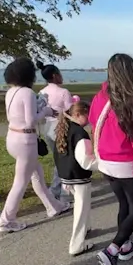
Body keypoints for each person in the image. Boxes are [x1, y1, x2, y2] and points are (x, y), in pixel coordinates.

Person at [0, 58, 70, 233]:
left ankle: (53, 206)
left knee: (36, 175)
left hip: (13, 137)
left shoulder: (11, 92)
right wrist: (45, 111)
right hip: (25, 140)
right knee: (20, 182)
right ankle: (6, 220)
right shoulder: (27, 93)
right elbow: (30, 121)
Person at [91, 54, 133, 265]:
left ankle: (126, 245)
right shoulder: (131, 99)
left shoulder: (99, 97)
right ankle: (112, 249)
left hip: (105, 160)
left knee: (123, 203)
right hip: (125, 161)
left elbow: (94, 123)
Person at [53, 99, 97, 256]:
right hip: (79, 177)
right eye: (88, 115)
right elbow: (85, 160)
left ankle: (86, 228)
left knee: (83, 206)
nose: (90, 120)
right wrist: (101, 165)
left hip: (66, 176)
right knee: (81, 208)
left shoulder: (63, 129)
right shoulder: (80, 133)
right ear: (78, 114)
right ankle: (76, 244)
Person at [37, 61, 75, 201]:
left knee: (58, 159)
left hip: (47, 127)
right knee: (64, 159)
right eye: (59, 73)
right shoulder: (63, 92)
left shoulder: (42, 92)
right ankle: (60, 191)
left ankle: (57, 190)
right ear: (54, 76)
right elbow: (70, 112)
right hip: (60, 127)